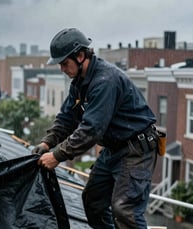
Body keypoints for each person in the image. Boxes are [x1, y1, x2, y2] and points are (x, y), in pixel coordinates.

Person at [32, 28, 158, 228]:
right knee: (93, 201)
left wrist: (56, 155)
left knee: (124, 209)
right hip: (113, 150)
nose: (62, 69)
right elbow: (67, 117)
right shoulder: (79, 83)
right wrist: (47, 142)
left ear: (80, 56)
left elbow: (91, 130)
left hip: (136, 152)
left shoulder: (105, 81)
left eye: (64, 63)